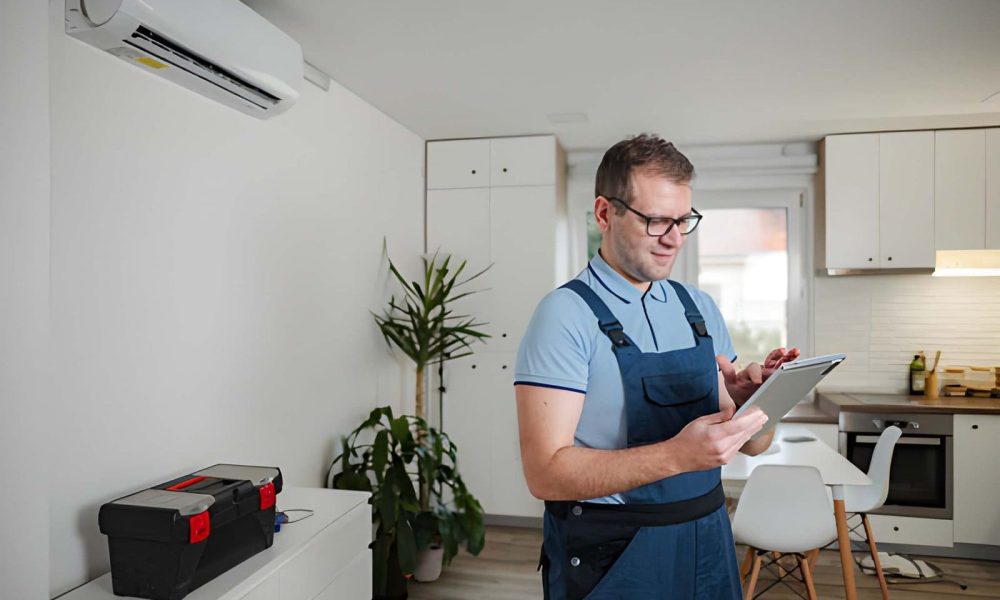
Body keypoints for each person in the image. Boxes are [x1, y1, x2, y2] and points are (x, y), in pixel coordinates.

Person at [514, 134, 800, 600]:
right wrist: (676, 456)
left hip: (708, 538)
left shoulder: (700, 308)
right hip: (616, 553)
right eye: (655, 221)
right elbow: (544, 474)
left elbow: (755, 445)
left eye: (683, 220)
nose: (673, 238)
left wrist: (752, 406)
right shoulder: (564, 314)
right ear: (605, 214)